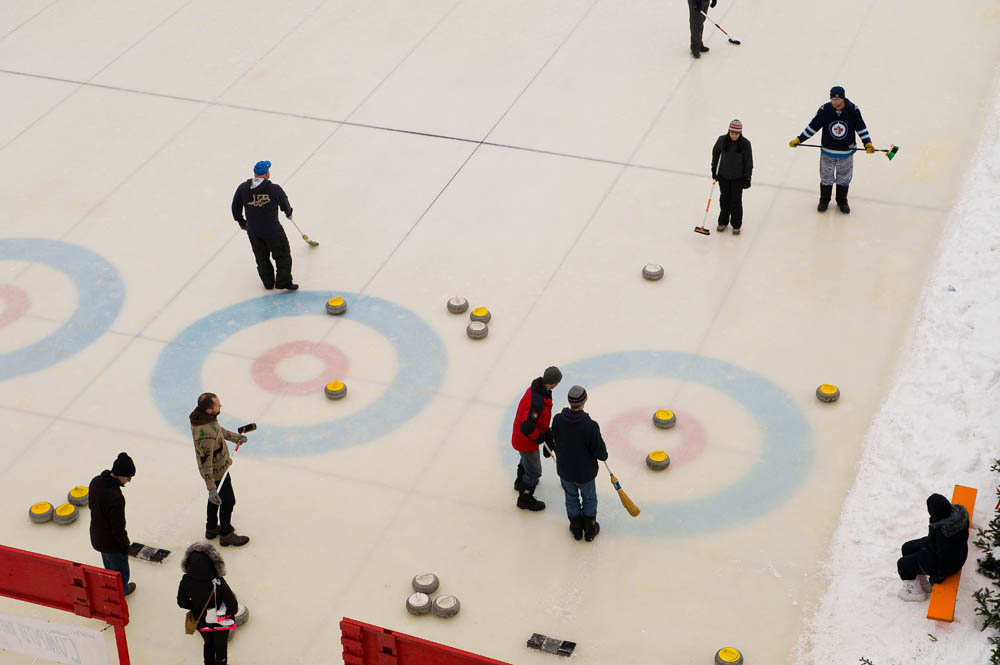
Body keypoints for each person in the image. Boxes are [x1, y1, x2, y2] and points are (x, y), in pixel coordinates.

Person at [789, 86, 874, 214]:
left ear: (843, 98)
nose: (834, 101)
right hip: (827, 153)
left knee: (844, 178)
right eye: (832, 99)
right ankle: (824, 200)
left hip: (846, 153)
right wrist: (800, 139)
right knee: (826, 176)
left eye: (837, 99)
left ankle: (842, 201)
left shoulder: (853, 110)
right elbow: (813, 126)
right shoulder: (825, 110)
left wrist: (867, 142)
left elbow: (861, 127)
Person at [190, 393, 250, 547]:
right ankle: (226, 534)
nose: (220, 406)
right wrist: (211, 488)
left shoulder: (206, 419)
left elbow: (218, 430)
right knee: (228, 501)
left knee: (216, 500)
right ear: (209, 410)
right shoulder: (206, 435)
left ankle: (211, 528)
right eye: (217, 405)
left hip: (220, 467)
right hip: (217, 473)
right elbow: (206, 463)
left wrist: (235, 437)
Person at [550, 385, 608, 542]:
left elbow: (553, 438)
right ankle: (589, 528)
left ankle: (576, 527)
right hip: (585, 474)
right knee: (589, 498)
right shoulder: (590, 426)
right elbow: (599, 452)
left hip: (565, 471)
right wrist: (603, 455)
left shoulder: (558, 420)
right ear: (584, 401)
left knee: (571, 497)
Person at [231, 160, 298, 291]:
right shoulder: (274, 189)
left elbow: (235, 207)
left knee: (261, 258)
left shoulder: (243, 188)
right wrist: (288, 213)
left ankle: (268, 283)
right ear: (267, 173)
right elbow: (284, 203)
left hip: (254, 232)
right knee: (282, 255)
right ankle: (283, 282)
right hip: (273, 231)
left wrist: (241, 222)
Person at [897, 493, 970, 601]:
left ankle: (915, 593)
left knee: (902, 565)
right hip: (951, 551)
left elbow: (945, 558)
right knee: (907, 547)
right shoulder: (957, 516)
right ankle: (922, 582)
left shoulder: (943, 533)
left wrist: (939, 576)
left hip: (948, 563)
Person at [177, 542, 239, 665]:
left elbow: (182, 602)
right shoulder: (218, 582)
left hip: (201, 620)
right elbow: (232, 605)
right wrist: (231, 613)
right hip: (221, 622)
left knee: (208, 644)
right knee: (221, 648)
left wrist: (195, 606)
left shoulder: (186, 580)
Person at [511, 366, 562, 511]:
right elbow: (527, 427)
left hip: (522, 437)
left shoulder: (538, 390)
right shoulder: (537, 401)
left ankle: (520, 482)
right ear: (554, 383)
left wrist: (546, 433)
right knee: (534, 471)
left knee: (525, 460)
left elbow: (538, 419)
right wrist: (539, 437)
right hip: (526, 440)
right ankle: (525, 499)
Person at [88, 452, 136, 596]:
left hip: (97, 537)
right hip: (112, 544)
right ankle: (121, 593)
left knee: (109, 568)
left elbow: (91, 506)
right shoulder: (116, 497)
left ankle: (110, 589)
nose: (129, 481)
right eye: (128, 477)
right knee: (121, 573)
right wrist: (125, 547)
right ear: (121, 475)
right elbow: (118, 529)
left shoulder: (95, 481)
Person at [711, 119, 753, 234]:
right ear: (729, 131)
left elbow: (748, 161)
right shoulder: (721, 140)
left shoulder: (745, 144)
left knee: (736, 201)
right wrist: (714, 168)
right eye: (732, 133)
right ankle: (723, 222)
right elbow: (715, 154)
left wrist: (747, 177)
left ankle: (736, 224)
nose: (734, 136)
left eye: (736, 133)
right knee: (724, 199)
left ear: (740, 133)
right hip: (723, 176)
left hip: (738, 178)